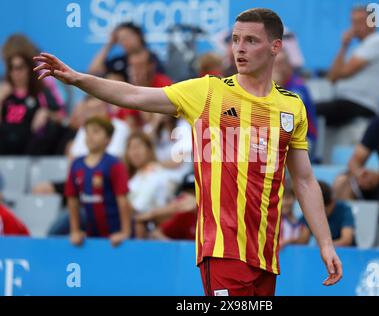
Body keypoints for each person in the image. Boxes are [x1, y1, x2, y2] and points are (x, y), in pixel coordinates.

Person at [34, 7, 342, 296]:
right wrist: (78, 79)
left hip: (265, 256)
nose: (240, 48)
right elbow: (134, 94)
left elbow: (303, 180)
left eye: (251, 40)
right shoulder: (208, 92)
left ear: (276, 47)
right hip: (222, 251)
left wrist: (325, 244)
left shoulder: (291, 106)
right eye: (235, 40)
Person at [316, 5, 379, 127]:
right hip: (347, 103)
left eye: (360, 22)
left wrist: (344, 46)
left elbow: (341, 73)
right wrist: (344, 46)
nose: (355, 27)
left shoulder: (377, 41)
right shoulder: (356, 48)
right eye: (353, 22)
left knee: (308, 109)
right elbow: (331, 78)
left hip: (364, 104)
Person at [65, 116, 132, 246]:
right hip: (92, 236)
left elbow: (123, 200)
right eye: (87, 132)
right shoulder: (76, 165)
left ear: (108, 139)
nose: (90, 136)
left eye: (96, 131)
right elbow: (72, 199)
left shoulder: (114, 164)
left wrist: (125, 232)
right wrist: (75, 230)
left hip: (116, 235)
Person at [0, 53, 65, 155]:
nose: (15, 72)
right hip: (4, 147)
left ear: (29, 69)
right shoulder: (4, 93)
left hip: (31, 149)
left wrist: (46, 113)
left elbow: (61, 117)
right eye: (12, 68)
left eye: (20, 68)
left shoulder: (40, 91)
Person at [124, 132, 173, 238]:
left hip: (151, 227)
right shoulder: (134, 176)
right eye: (131, 148)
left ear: (149, 150)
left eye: (138, 146)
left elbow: (140, 206)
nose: (134, 152)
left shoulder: (155, 172)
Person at [273, 49, 318, 160]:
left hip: (304, 139)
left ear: (289, 65)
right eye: (273, 64)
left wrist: (275, 88)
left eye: (280, 64)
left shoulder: (298, 88)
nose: (276, 68)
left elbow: (288, 123)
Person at [134, 172, 197, 240]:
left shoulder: (208, 212)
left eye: (195, 192)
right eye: (188, 192)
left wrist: (151, 214)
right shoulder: (184, 216)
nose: (190, 196)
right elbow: (157, 233)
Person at [298, 181, 356, 247]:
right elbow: (303, 240)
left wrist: (326, 247)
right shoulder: (311, 212)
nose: (321, 214)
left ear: (333, 201)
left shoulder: (344, 210)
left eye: (324, 210)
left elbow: (346, 240)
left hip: (345, 253)